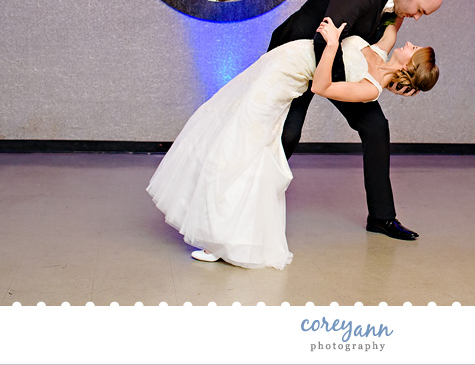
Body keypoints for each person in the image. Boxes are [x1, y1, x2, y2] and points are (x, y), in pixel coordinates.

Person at [146, 15, 439, 270]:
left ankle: (221, 239)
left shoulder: (370, 88)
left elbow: (321, 87)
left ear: (408, 67)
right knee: (231, 130)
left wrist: (334, 45)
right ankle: (220, 230)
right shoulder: (382, 49)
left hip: (284, 79)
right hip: (276, 63)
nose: (409, 44)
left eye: (414, 49)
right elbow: (395, 16)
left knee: (240, 143)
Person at [268, 0, 445, 241]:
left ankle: (381, 218)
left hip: (340, 66)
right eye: (420, 10)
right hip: (300, 56)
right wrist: (350, 87)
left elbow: (388, 28)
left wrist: (371, 83)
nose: (417, 18)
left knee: (376, 127)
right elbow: (322, 39)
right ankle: (256, 200)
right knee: (288, 133)